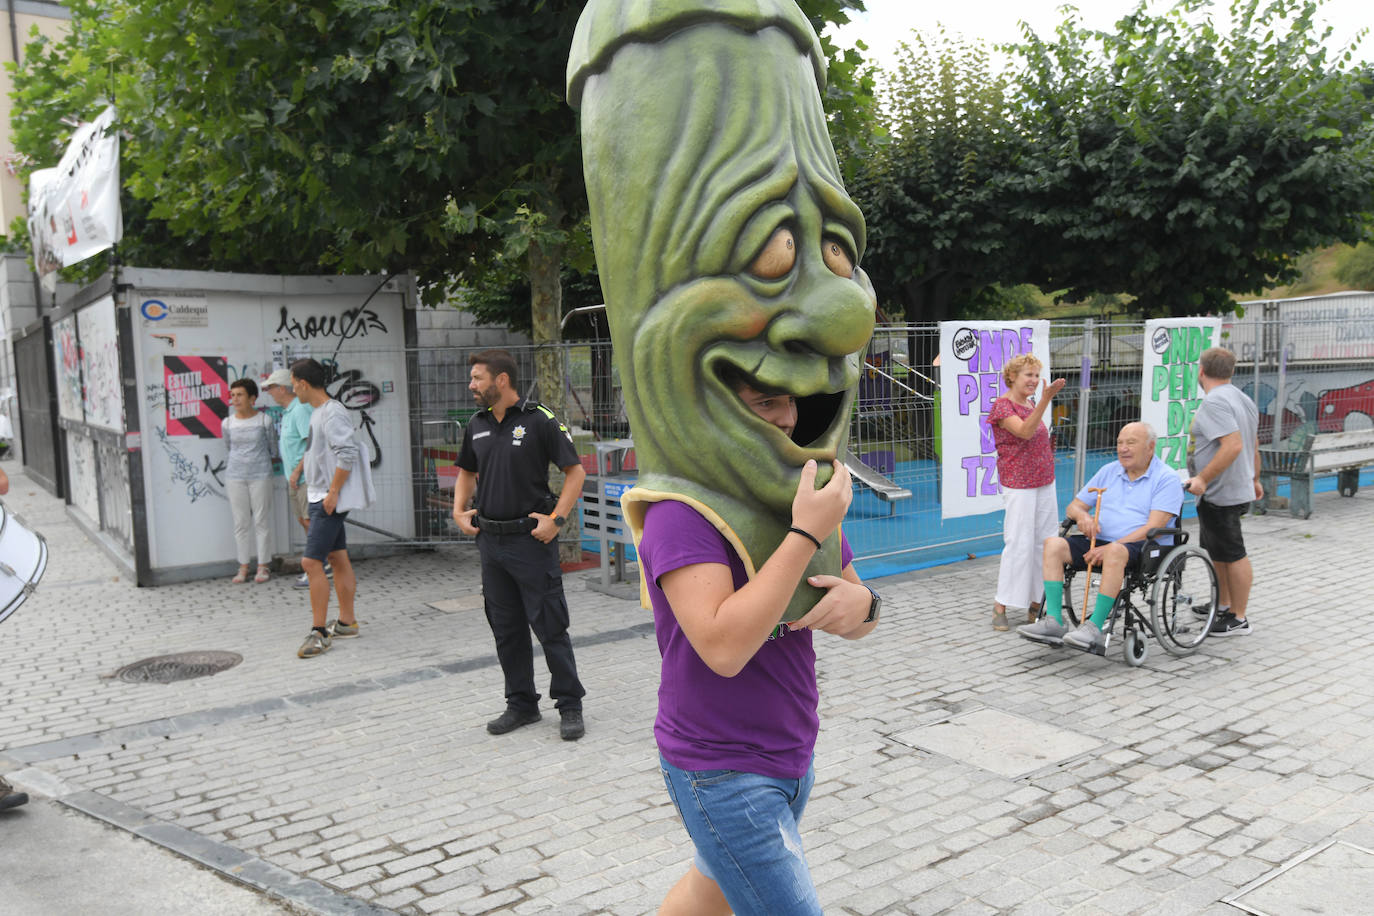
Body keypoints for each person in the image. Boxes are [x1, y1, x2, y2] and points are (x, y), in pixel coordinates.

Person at [642, 378, 880, 916]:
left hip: (793, 750)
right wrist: (804, 535)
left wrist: (864, 606)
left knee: (711, 889)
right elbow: (723, 648)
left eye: (790, 401)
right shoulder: (680, 514)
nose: (789, 417)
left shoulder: (790, 499)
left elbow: (860, 609)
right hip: (720, 766)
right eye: (767, 403)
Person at [451, 349, 588, 741]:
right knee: (506, 628)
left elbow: (575, 472)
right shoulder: (476, 424)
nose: (472, 385)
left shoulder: (538, 420)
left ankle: (570, 704)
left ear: (502, 380)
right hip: (490, 544)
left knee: (550, 625)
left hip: (530, 541)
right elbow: (466, 471)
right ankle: (522, 705)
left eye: (477, 378)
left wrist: (557, 519)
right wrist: (460, 511)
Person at [1019, 422, 1183, 654]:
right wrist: (1083, 516)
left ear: (1150, 447)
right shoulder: (1109, 471)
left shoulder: (1167, 478)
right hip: (1102, 540)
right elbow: (1073, 507)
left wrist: (1112, 547)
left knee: (1115, 551)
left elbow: (1154, 526)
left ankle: (1094, 627)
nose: (1123, 448)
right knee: (1053, 544)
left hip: (1144, 546)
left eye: (1131, 443)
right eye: (1120, 443)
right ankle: (1054, 621)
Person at [290, 359, 369, 659]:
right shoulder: (319, 412)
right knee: (337, 557)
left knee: (311, 563)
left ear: (303, 383)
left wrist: (333, 492)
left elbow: (346, 452)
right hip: (320, 495)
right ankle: (347, 622)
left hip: (326, 498)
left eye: (293, 382)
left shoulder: (332, 412)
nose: (292, 388)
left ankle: (319, 632)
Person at [1186, 347, 1261, 636]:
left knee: (1233, 553)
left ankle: (1238, 618)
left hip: (1221, 491)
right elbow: (1253, 443)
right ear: (1231, 372)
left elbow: (1234, 445)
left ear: (1201, 371)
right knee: (1217, 551)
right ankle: (1223, 604)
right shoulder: (1242, 399)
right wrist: (1254, 479)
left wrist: (1203, 479)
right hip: (1229, 489)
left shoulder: (1215, 403)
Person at [987, 354, 1066, 630]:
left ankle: (1036, 601)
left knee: (1045, 543)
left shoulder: (1030, 403)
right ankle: (1001, 604)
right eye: (1028, 375)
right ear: (1012, 377)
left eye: (1036, 375)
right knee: (1018, 542)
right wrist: (1045, 399)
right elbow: (1024, 432)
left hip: (1045, 480)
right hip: (1019, 483)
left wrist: (1039, 401)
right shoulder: (1002, 406)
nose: (1033, 381)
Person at [262, 369, 317, 589]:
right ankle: (320, 564)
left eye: (271, 388)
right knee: (305, 521)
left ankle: (318, 568)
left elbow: (310, 443)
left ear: (282, 388)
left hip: (304, 477)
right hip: (295, 478)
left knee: (310, 522)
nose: (269, 392)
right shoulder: (288, 411)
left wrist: (297, 472)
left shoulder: (300, 410)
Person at [224, 378, 277, 584]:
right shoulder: (227, 423)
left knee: (261, 520)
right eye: (233, 395)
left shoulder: (265, 420)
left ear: (252, 398)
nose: (235, 399)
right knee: (240, 522)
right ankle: (243, 566)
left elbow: (273, 447)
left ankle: (263, 566)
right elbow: (229, 447)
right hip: (235, 477)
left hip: (261, 475)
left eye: (240, 395)